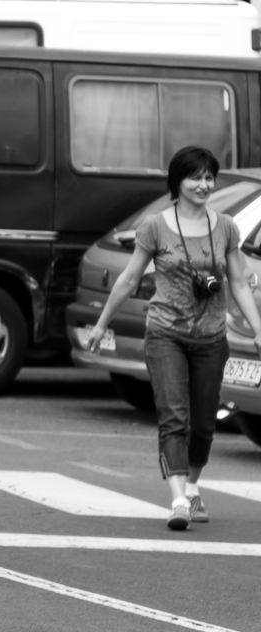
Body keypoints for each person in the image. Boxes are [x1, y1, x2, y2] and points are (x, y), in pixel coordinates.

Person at [87, 145, 261, 530]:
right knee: (173, 416)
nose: (203, 184)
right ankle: (179, 500)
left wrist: (258, 329)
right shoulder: (156, 225)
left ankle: (194, 486)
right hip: (165, 332)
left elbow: (238, 281)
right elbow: (130, 278)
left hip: (212, 337)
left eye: (208, 177)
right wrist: (101, 324)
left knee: (203, 424)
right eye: (194, 177)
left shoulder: (227, 227)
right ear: (177, 182)